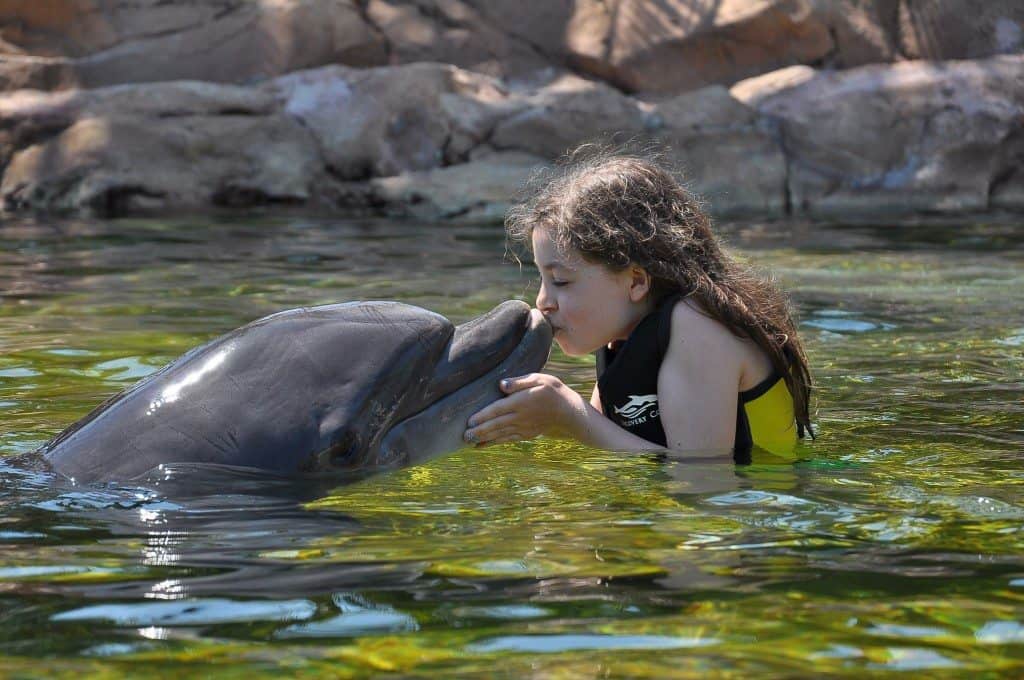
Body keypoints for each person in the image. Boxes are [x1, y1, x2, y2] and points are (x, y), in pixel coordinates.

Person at [462, 149, 813, 460]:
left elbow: (701, 477)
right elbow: (615, 451)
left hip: (762, 523)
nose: (542, 301)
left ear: (636, 281)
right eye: (542, 279)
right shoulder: (622, 341)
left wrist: (567, 417)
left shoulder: (699, 327)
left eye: (561, 281)